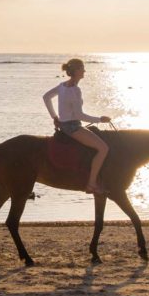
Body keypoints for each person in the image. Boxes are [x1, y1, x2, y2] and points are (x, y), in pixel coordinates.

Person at [43, 58, 111, 194]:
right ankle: (92, 184)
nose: (84, 70)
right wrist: (100, 119)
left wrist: (54, 117)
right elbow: (80, 115)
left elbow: (46, 97)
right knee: (103, 148)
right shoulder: (75, 90)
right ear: (76, 71)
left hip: (63, 125)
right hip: (73, 127)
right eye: (82, 68)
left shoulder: (62, 86)